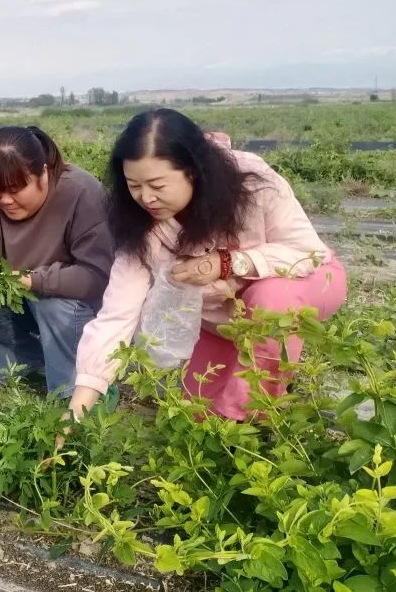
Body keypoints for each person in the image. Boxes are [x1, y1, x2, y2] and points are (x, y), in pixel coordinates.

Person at [70, 109, 347, 422]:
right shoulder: (139, 226)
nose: (146, 198)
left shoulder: (250, 184)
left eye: (158, 186)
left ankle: (254, 418)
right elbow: (117, 315)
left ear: (193, 171)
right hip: (223, 320)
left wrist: (227, 262)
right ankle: (242, 410)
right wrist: (78, 407)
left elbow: (307, 252)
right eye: (134, 185)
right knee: (196, 415)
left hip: (307, 283)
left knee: (270, 305)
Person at [0, 127, 114, 414]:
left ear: (43, 173)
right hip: (24, 301)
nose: (5, 201)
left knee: (54, 305)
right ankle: (26, 364)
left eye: (15, 190)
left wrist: (29, 280)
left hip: (83, 308)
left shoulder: (81, 193)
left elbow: (97, 276)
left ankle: (79, 391)